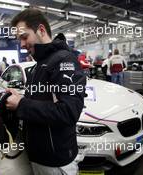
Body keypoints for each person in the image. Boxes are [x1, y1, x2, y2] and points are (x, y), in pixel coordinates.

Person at [6, 9, 86, 175]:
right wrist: (15, 98)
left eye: (24, 37)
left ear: (41, 30)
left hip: (56, 162)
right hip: (39, 157)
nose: (21, 44)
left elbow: (69, 112)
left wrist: (21, 104)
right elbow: (40, 103)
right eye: (19, 39)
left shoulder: (64, 60)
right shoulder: (39, 65)